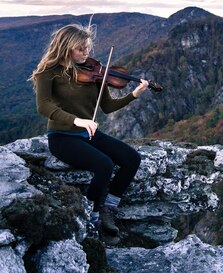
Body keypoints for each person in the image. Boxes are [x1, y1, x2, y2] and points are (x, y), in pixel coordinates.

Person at [31, 24, 150, 244]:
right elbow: (44, 106)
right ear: (66, 48)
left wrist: (134, 94)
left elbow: (108, 106)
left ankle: (109, 208)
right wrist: (77, 120)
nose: (86, 53)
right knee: (104, 165)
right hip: (62, 136)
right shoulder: (48, 73)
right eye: (80, 49)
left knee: (131, 158)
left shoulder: (95, 73)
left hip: (89, 134)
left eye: (87, 48)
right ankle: (94, 215)